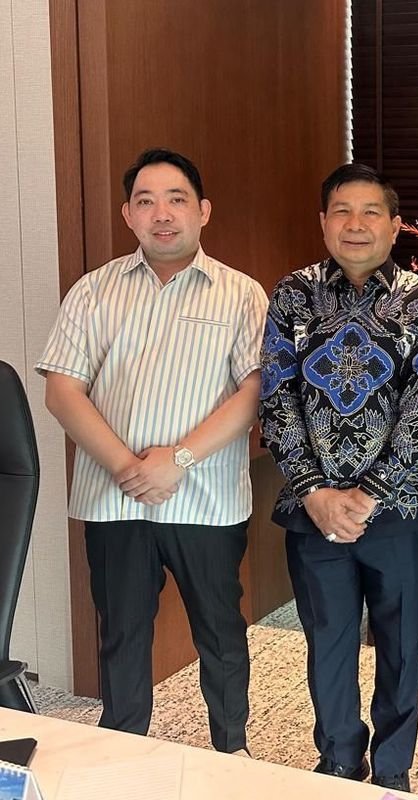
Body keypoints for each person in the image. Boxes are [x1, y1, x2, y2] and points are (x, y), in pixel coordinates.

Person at [38, 148, 266, 755]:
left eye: (176, 199)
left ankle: (232, 750)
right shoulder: (94, 290)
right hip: (114, 499)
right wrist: (127, 467)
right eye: (146, 201)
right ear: (128, 215)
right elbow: (62, 390)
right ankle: (122, 750)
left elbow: (253, 393)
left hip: (207, 500)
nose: (162, 214)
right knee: (121, 635)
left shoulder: (241, 294)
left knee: (220, 631)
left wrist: (178, 459)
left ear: (203, 211)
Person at [258, 163, 418, 793]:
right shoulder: (293, 295)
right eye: (342, 211)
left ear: (394, 226)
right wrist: (315, 491)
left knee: (402, 647)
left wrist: (368, 495)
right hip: (313, 512)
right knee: (328, 642)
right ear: (323, 222)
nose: (356, 224)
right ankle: (339, 759)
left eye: (371, 212)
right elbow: (276, 399)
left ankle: (392, 769)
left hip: (400, 511)